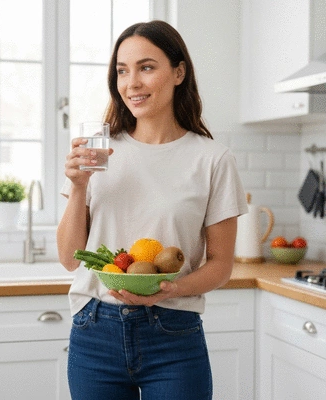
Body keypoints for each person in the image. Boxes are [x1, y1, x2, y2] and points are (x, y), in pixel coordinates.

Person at [57, 20, 248, 400]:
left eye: (146, 67)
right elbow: (68, 258)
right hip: (95, 330)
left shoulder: (212, 159)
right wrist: (78, 188)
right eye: (122, 71)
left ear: (179, 72)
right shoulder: (98, 152)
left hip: (173, 332)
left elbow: (221, 264)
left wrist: (166, 289)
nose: (132, 84)